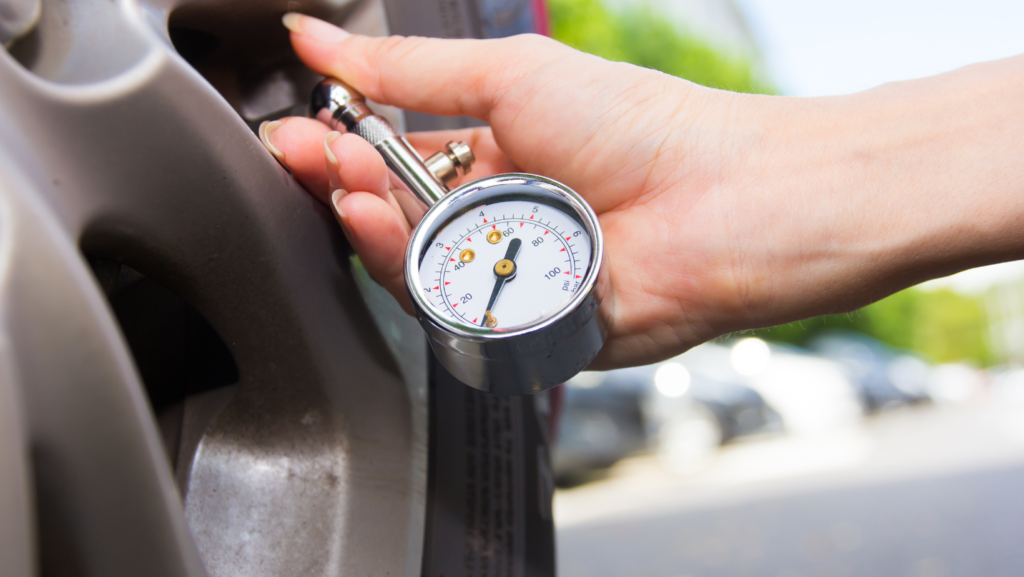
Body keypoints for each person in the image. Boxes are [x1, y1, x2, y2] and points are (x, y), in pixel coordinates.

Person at [259, 13, 1024, 371]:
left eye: (504, 256)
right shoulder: (489, 227)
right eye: (500, 261)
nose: (498, 264)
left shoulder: (501, 220)